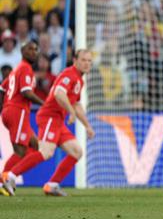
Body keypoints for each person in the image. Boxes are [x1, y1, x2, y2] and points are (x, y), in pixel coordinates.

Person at [4, 49, 96, 197]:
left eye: (89, 61)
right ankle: (10, 177)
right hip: (49, 117)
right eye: (83, 60)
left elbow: (77, 105)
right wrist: (70, 112)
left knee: (77, 151)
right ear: (75, 60)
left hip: (58, 120)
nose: (87, 63)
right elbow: (59, 93)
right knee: (45, 152)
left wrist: (87, 126)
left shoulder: (79, 80)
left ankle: (52, 185)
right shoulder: (69, 74)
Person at [0, 42, 44, 196]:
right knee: (19, 151)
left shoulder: (15, 71)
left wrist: (3, 109)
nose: (33, 52)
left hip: (11, 111)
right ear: (22, 51)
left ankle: (10, 177)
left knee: (34, 145)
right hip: (17, 111)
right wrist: (44, 104)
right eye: (30, 49)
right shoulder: (25, 68)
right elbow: (26, 92)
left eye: (35, 49)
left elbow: (2, 88)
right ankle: (2, 181)